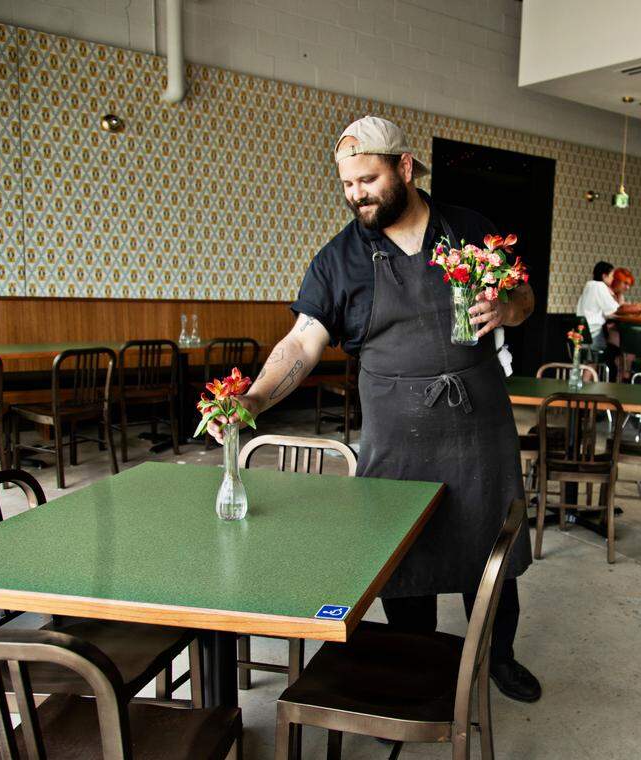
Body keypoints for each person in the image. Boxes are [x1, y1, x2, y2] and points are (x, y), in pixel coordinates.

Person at [208, 115, 541, 702]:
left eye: (368, 178)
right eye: (347, 184)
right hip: (399, 431)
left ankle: (499, 657)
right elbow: (302, 342)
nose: (357, 194)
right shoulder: (339, 260)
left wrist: (507, 310)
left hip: (479, 424)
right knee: (403, 554)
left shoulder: (467, 229)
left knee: (491, 544)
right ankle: (414, 660)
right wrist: (254, 398)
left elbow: (525, 296)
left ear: (405, 168)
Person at [575, 261, 620, 349]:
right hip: (594, 334)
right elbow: (614, 309)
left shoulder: (589, 285)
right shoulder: (600, 286)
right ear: (604, 276)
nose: (613, 279)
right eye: (612, 276)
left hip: (582, 333)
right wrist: (616, 295)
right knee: (615, 348)